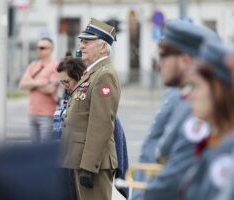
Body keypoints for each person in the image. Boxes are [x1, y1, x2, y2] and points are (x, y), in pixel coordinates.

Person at [132, 20, 219, 200]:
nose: (158, 64)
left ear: (185, 60)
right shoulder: (184, 99)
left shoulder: (197, 108)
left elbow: (176, 177)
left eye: (163, 55)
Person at [60, 18, 121, 200]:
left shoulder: (105, 75)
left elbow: (101, 124)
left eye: (87, 41)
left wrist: (89, 165)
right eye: (81, 41)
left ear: (103, 47)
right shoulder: (92, 72)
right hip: (81, 158)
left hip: (93, 164)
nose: (81, 45)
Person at [179, 41, 234, 200]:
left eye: (195, 86)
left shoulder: (226, 148)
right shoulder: (217, 140)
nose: (190, 95)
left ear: (217, 90)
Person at [19, 37, 59, 143]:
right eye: (37, 47)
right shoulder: (33, 65)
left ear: (51, 49)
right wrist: (40, 82)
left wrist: (31, 82)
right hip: (32, 113)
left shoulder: (56, 66)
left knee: (44, 150)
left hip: (47, 114)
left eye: (42, 48)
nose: (38, 50)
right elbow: (22, 85)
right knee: (34, 149)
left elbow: (50, 89)